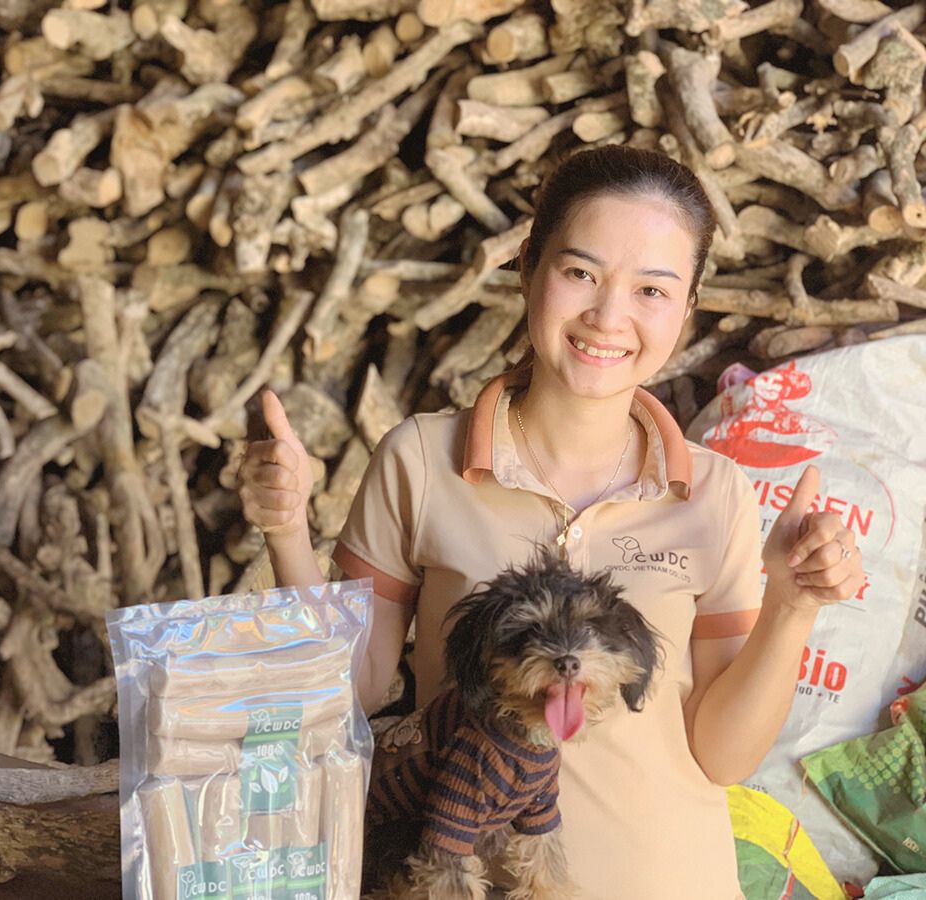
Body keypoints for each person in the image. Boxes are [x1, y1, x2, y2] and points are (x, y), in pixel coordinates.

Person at [236, 145, 865, 900]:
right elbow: (355, 687)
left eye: (652, 290)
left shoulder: (715, 492)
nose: (609, 316)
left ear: (689, 306)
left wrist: (794, 608)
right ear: (528, 268)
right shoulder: (420, 460)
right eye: (580, 273)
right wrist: (285, 533)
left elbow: (723, 757)